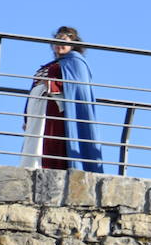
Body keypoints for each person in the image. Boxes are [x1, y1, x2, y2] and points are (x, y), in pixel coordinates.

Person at [20, 26, 104, 172]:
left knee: (53, 140)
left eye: (64, 40)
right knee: (35, 142)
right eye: (57, 40)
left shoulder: (76, 62)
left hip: (57, 109)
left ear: (73, 43)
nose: (59, 43)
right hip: (38, 109)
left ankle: (51, 168)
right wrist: (26, 116)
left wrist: (52, 85)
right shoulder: (49, 65)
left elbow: (78, 88)